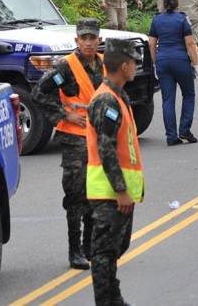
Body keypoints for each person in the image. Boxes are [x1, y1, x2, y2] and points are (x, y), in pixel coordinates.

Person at [32, 18, 103, 270]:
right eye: (83, 38)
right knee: (75, 195)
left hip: (98, 139)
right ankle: (75, 252)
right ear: (76, 40)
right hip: (74, 139)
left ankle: (89, 247)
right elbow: (39, 93)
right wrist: (64, 114)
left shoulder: (102, 65)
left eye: (92, 38)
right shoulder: (66, 68)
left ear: (98, 40)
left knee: (95, 192)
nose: (87, 42)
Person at [86, 38, 145, 306]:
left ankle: (114, 299)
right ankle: (106, 301)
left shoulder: (118, 97)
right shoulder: (106, 101)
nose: (136, 67)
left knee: (112, 251)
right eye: (134, 62)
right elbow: (106, 149)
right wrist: (121, 190)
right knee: (103, 253)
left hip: (119, 192)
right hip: (109, 192)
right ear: (123, 66)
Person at [148, 0, 198, 146]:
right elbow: (190, 44)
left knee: (168, 99)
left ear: (163, 5)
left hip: (163, 61)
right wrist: (196, 65)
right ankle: (185, 129)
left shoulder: (157, 20)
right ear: (177, 4)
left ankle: (171, 136)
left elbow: (152, 44)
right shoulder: (182, 19)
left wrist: (154, 63)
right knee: (188, 94)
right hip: (180, 61)